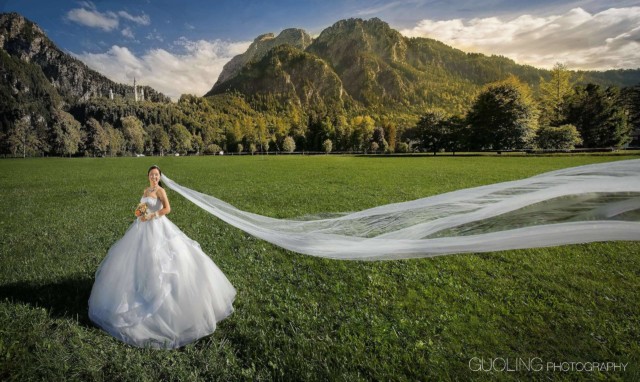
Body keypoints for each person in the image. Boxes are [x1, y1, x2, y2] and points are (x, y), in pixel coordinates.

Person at [88, 165, 236, 349]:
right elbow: (141, 207)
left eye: (157, 175)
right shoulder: (146, 190)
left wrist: (152, 215)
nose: (154, 177)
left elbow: (167, 209)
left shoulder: (160, 190)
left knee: (164, 262)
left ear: (160, 177)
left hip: (158, 227)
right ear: (148, 176)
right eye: (152, 174)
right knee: (134, 260)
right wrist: (140, 213)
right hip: (141, 229)